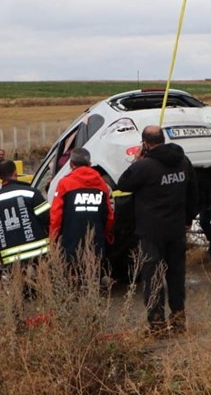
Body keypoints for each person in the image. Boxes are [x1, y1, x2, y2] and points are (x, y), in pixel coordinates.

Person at [117, 125, 198, 337]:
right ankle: (179, 322)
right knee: (176, 276)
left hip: (151, 231)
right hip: (176, 229)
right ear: (163, 139)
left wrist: (136, 161)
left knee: (152, 278)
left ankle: (157, 325)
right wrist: (188, 218)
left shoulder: (144, 167)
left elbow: (123, 184)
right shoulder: (184, 161)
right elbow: (193, 192)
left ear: (145, 143)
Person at [0, 160, 49, 304]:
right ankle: (46, 314)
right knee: (44, 290)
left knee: (16, 294)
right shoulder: (31, 193)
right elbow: (47, 218)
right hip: (37, 252)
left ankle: (18, 317)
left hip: (10, 256)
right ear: (15, 173)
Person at [50, 148, 114, 277]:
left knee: (72, 277)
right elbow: (109, 215)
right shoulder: (102, 184)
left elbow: (56, 215)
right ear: (90, 164)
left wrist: (53, 238)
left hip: (70, 241)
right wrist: (106, 234)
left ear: (71, 164)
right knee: (92, 275)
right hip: (96, 238)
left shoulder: (64, 183)